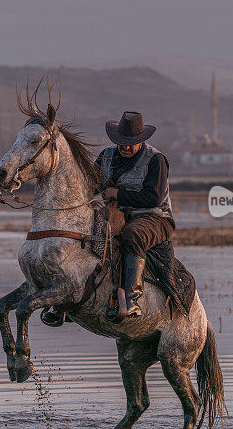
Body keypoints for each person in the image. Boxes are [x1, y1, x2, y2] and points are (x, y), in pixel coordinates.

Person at [41, 111, 175, 326]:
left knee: (133, 234)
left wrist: (118, 194)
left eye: (131, 143)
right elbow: (91, 185)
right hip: (113, 215)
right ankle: (64, 302)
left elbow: (154, 197)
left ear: (142, 141)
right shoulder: (106, 155)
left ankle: (132, 299)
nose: (126, 147)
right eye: (122, 142)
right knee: (79, 234)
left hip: (153, 217)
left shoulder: (156, 160)